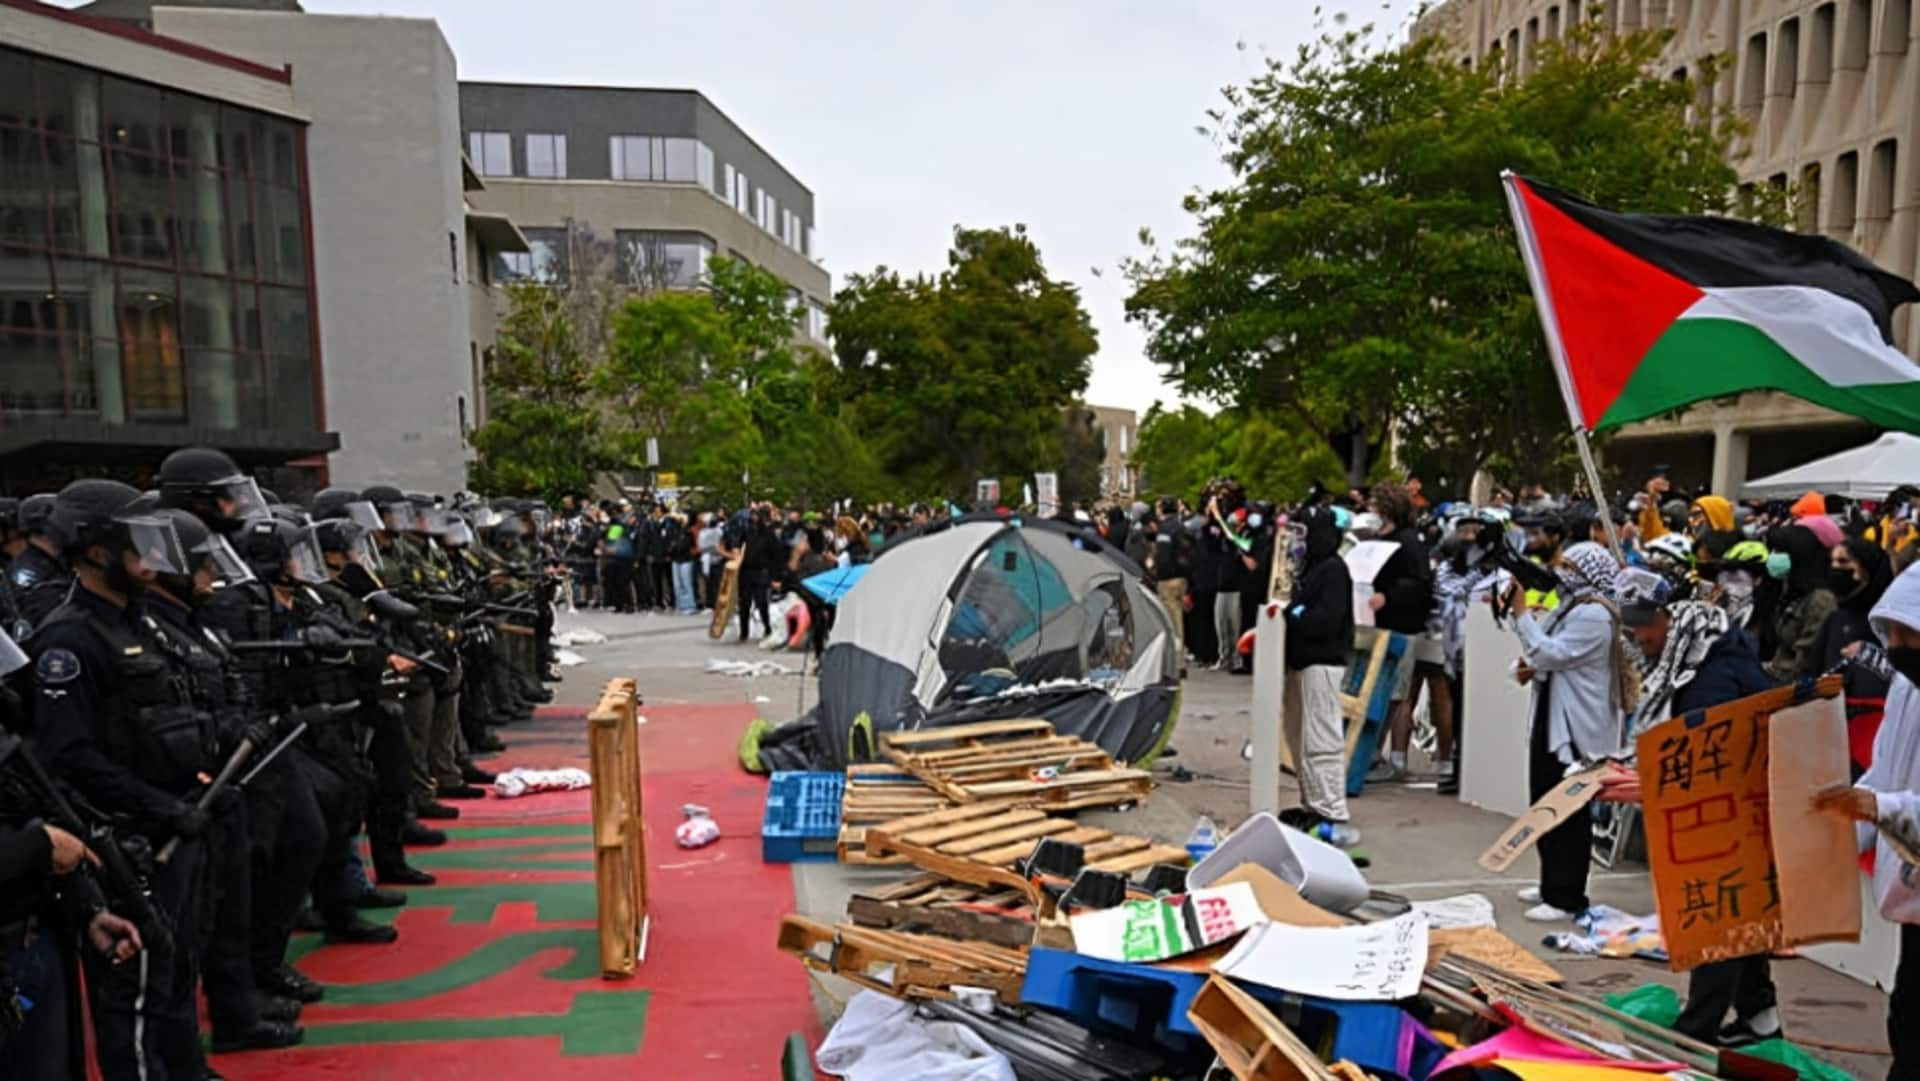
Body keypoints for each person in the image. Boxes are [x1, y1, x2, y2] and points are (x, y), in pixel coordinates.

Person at [30, 480, 221, 1078]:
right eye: (136, 539)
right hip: (127, 841)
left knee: (177, 967)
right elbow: (70, 758)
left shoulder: (140, 623)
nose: (153, 552)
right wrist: (159, 806)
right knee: (133, 992)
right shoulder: (70, 640)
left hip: (172, 822)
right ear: (95, 549)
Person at [1616, 571, 1781, 1045]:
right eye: (1633, 629)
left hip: (1728, 808)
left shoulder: (1711, 670)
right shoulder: (1689, 655)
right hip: (1720, 805)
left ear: (1671, 616)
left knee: (1717, 916)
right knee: (1739, 911)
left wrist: (1650, 782)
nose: (1641, 637)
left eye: (1646, 626)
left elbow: (1704, 749)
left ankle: (1699, 1030)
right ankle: (1760, 1016)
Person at [1815, 562, 1920, 1077]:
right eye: (1891, 632)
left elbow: (1889, 797)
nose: (1897, 645)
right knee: (1908, 1014)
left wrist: (1880, 809)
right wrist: (1844, 819)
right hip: (1914, 887)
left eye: (1909, 634)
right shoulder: (1907, 688)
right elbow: (1886, 769)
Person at [1505, 541, 1628, 922]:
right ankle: (1550, 884)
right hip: (1553, 715)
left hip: (1577, 728)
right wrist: (1521, 630)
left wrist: (1523, 614)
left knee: (1569, 811)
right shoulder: (1573, 608)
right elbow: (1539, 652)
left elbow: (1551, 654)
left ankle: (1567, 895)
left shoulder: (1595, 615)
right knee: (1544, 801)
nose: (1563, 574)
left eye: (1571, 567)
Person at [1280, 508, 1357, 845]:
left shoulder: (1333, 570)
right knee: (1299, 738)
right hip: (1301, 662)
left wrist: (1294, 613)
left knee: (1321, 738)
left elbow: (1322, 620)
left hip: (1321, 662)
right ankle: (1312, 802)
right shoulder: (1310, 569)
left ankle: (1332, 810)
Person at [1366, 482, 1435, 782]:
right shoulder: (1389, 539)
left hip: (1401, 626)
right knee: (1389, 693)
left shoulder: (1407, 542)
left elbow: (1421, 585)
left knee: (1396, 695)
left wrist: (1389, 596)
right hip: (1385, 624)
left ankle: (1385, 756)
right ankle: (1379, 754)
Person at [1763, 524, 1839, 682]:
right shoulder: (1788, 590)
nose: (1772, 556)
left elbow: (1805, 658)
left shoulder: (1820, 600)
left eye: (1778, 552)